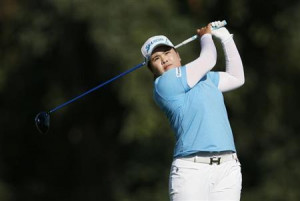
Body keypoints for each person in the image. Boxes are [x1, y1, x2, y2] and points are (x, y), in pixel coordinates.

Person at [141, 21, 244, 201]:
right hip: (192, 171)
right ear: (152, 70)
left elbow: (236, 78)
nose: (164, 59)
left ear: (178, 55)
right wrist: (206, 35)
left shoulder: (205, 78)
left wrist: (226, 38)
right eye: (156, 58)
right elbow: (209, 59)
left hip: (228, 168)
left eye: (167, 53)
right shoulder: (164, 85)